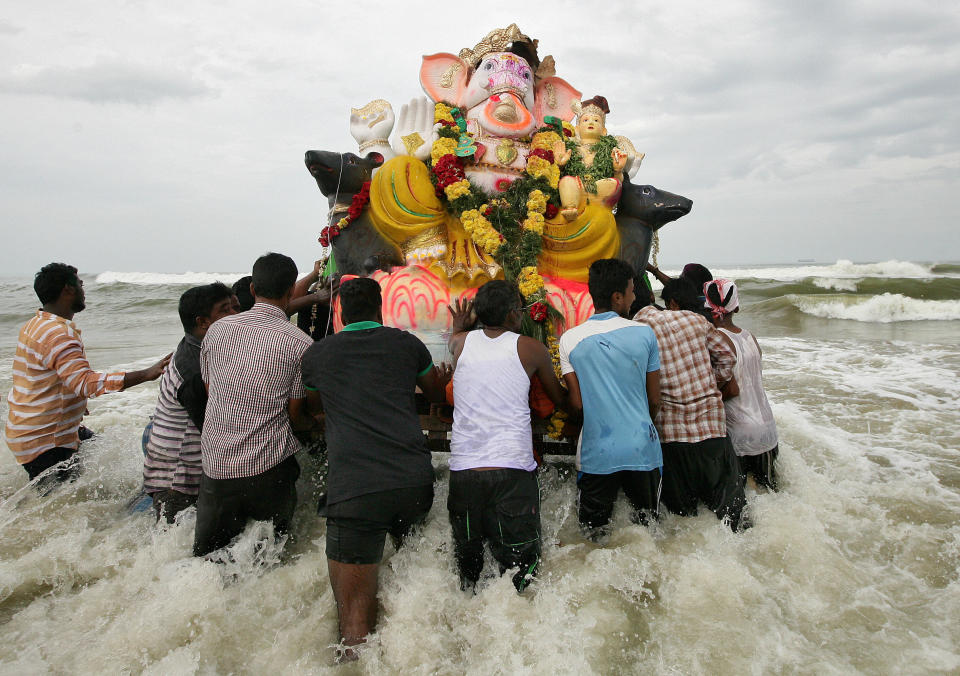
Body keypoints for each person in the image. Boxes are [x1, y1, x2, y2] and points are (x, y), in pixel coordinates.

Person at [301, 277, 448, 657]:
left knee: (354, 627)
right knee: (413, 590)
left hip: (355, 492)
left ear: (341, 313)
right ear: (380, 309)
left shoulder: (319, 354)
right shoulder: (406, 345)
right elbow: (433, 391)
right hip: (413, 483)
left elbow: (314, 405)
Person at [446, 281, 567, 592]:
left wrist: (460, 325)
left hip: (464, 474)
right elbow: (558, 399)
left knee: (469, 573)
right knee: (522, 574)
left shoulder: (460, 344)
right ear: (514, 314)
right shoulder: (531, 348)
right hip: (512, 473)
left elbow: (455, 339)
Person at [194, 253, 314, 557]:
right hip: (268, 469)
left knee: (207, 562)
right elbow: (296, 415)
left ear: (251, 290)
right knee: (268, 561)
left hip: (216, 468)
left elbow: (213, 394)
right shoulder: (300, 343)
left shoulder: (217, 331)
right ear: (290, 291)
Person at [5, 263, 169, 484]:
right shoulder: (58, 334)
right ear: (68, 290)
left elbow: (49, 377)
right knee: (59, 507)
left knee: (97, 452)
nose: (84, 290)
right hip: (47, 440)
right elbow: (86, 383)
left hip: (27, 429)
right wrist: (147, 373)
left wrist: (75, 405)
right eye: (81, 284)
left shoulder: (35, 324)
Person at [558, 259, 662, 538]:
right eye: (631, 290)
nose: (635, 296)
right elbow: (655, 400)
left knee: (593, 536)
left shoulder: (570, 339)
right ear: (617, 297)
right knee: (647, 531)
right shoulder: (644, 333)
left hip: (597, 453)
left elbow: (577, 404)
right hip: (642, 449)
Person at [634, 278, 747, 530]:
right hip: (712, 430)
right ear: (653, 299)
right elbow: (728, 358)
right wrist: (709, 383)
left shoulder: (635, 330)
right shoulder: (696, 320)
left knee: (683, 523)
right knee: (733, 521)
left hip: (671, 438)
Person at [142, 283, 236, 523]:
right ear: (203, 322)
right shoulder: (193, 370)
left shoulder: (198, 349)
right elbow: (213, 428)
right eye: (225, 310)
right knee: (179, 551)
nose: (235, 315)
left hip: (178, 469)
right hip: (177, 479)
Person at [704, 279, 780, 491]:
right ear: (736, 307)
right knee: (769, 492)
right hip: (767, 429)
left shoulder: (715, 340)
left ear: (707, 306)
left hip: (739, 433)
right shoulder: (750, 338)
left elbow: (727, 388)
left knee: (741, 500)